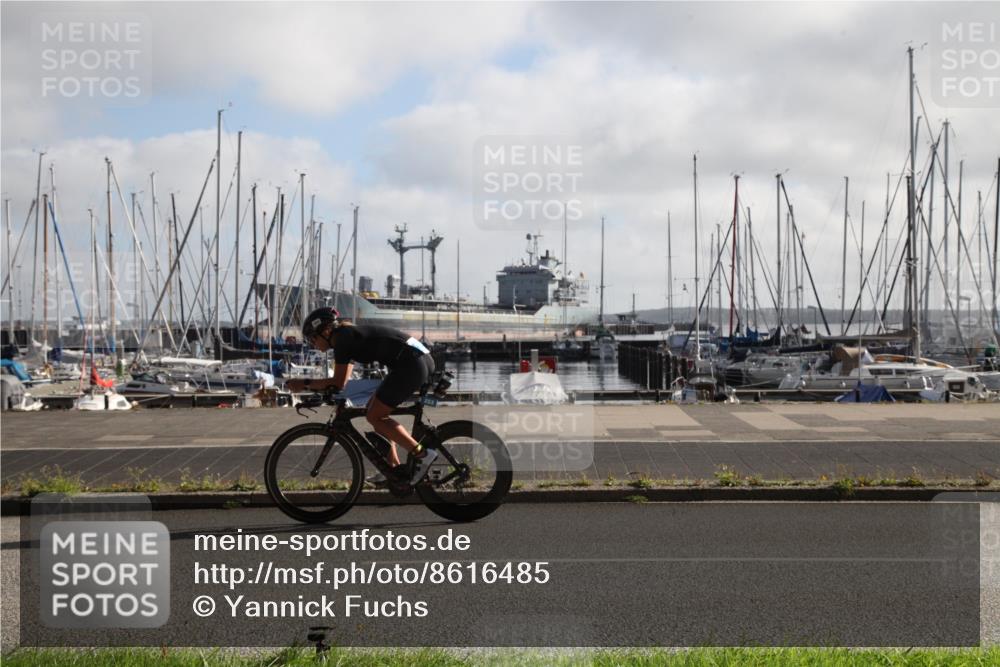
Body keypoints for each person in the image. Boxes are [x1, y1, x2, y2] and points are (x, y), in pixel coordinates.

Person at [286, 307, 438, 485]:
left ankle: (423, 454)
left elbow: (339, 382)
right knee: (373, 411)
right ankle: (393, 469)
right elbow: (340, 381)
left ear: (325, 331)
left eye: (313, 338)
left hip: (412, 364)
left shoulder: (343, 339)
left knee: (375, 415)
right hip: (416, 359)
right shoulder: (345, 337)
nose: (312, 344)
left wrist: (303, 383)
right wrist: (323, 388)